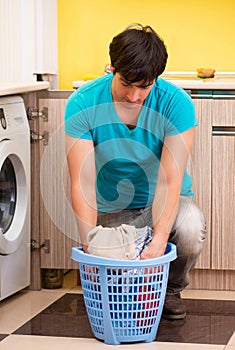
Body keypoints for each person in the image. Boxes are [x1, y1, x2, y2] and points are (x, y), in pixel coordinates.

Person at [64, 23, 206, 320]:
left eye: (145, 86)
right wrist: (90, 244)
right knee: (122, 290)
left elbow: (170, 179)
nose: (133, 96)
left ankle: (169, 290)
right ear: (112, 68)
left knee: (191, 226)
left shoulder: (176, 103)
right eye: (127, 83)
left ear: (156, 79)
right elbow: (83, 179)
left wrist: (158, 241)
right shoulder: (83, 102)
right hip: (113, 206)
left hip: (165, 202)